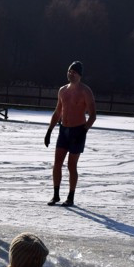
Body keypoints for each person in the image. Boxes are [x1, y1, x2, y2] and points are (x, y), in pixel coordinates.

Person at [44, 61, 96, 207]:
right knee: (57, 164)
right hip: (64, 130)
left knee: (71, 165)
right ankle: (55, 195)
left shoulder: (85, 91)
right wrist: (49, 131)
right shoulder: (62, 90)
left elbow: (93, 115)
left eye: (74, 72)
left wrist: (84, 131)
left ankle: (71, 196)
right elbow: (57, 112)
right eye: (69, 71)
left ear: (79, 75)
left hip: (77, 130)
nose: (71, 74)